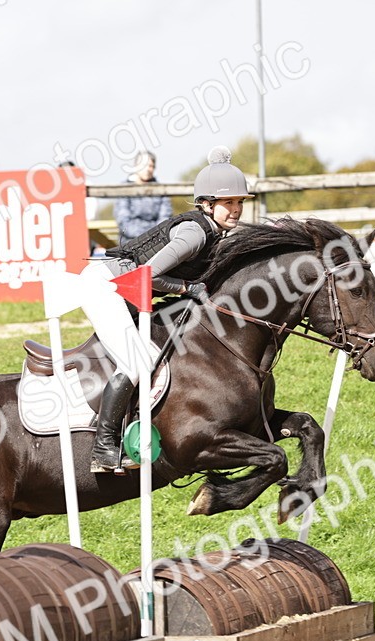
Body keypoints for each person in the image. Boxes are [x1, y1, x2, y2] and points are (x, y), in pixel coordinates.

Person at [80, 146, 251, 473]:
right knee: (136, 361)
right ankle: (102, 449)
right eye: (228, 202)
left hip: (127, 290)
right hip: (107, 286)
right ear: (207, 204)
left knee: (152, 354)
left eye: (239, 202)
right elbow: (147, 276)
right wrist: (187, 288)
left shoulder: (216, 233)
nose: (236, 209)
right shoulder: (194, 233)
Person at [114, 151, 173, 246]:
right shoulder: (124, 188)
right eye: (144, 165)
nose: (148, 169)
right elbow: (123, 219)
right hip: (130, 241)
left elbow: (165, 217)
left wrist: (153, 236)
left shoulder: (161, 189)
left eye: (151, 166)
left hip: (156, 240)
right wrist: (143, 237)